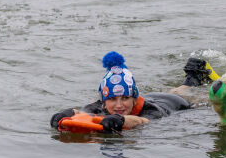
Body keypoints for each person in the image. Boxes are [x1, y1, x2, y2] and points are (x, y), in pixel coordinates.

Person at [49, 51, 190, 131]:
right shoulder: (99, 106)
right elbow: (82, 113)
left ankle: (191, 80)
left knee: (180, 92)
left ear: (134, 99)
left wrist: (120, 120)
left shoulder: (152, 111)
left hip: (172, 102)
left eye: (125, 98)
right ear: (103, 102)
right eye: (112, 99)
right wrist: (65, 115)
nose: (119, 105)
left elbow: (142, 120)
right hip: (152, 98)